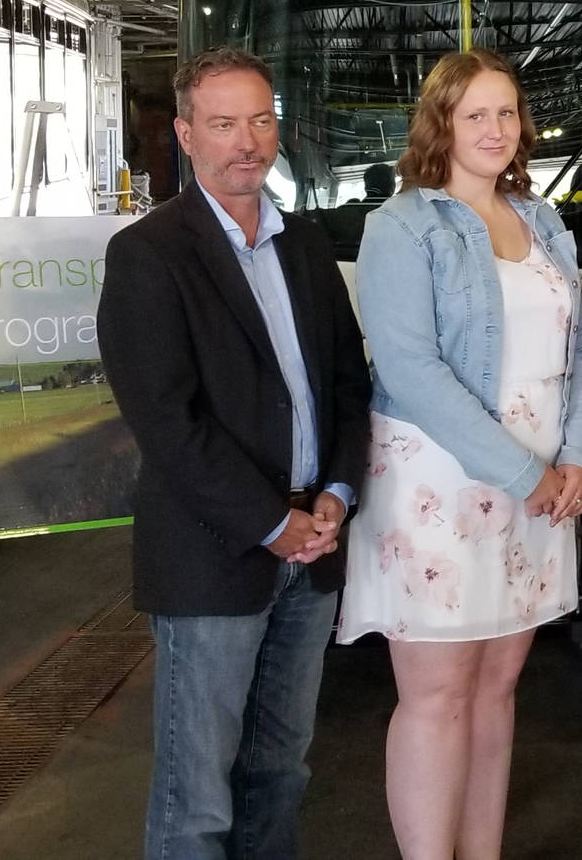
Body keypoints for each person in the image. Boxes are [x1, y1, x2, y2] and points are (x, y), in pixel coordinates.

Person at [98, 46, 371, 860]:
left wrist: (338, 492)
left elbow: (349, 386)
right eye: (222, 124)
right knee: (197, 798)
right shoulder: (149, 254)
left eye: (259, 119)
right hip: (215, 554)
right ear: (186, 133)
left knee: (280, 772)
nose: (245, 141)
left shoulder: (305, 244)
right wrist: (269, 521)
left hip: (312, 545)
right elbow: (167, 423)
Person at [339, 48, 582, 860]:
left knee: (496, 690)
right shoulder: (402, 224)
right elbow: (412, 368)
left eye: (507, 111)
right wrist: (529, 472)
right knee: (438, 697)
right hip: (442, 482)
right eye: (475, 113)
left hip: (542, 484)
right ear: (441, 123)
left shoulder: (541, 219)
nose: (495, 128)